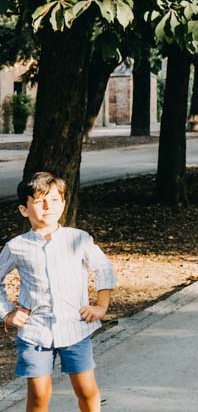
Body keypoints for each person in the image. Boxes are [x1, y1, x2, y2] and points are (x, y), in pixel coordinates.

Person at [0, 172, 116, 412]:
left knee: (86, 390)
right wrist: (7, 313)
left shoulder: (78, 238)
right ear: (24, 209)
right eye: (39, 200)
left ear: (63, 204)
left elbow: (103, 268)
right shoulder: (17, 246)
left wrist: (101, 305)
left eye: (54, 200)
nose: (48, 206)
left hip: (76, 328)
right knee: (39, 396)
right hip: (35, 331)